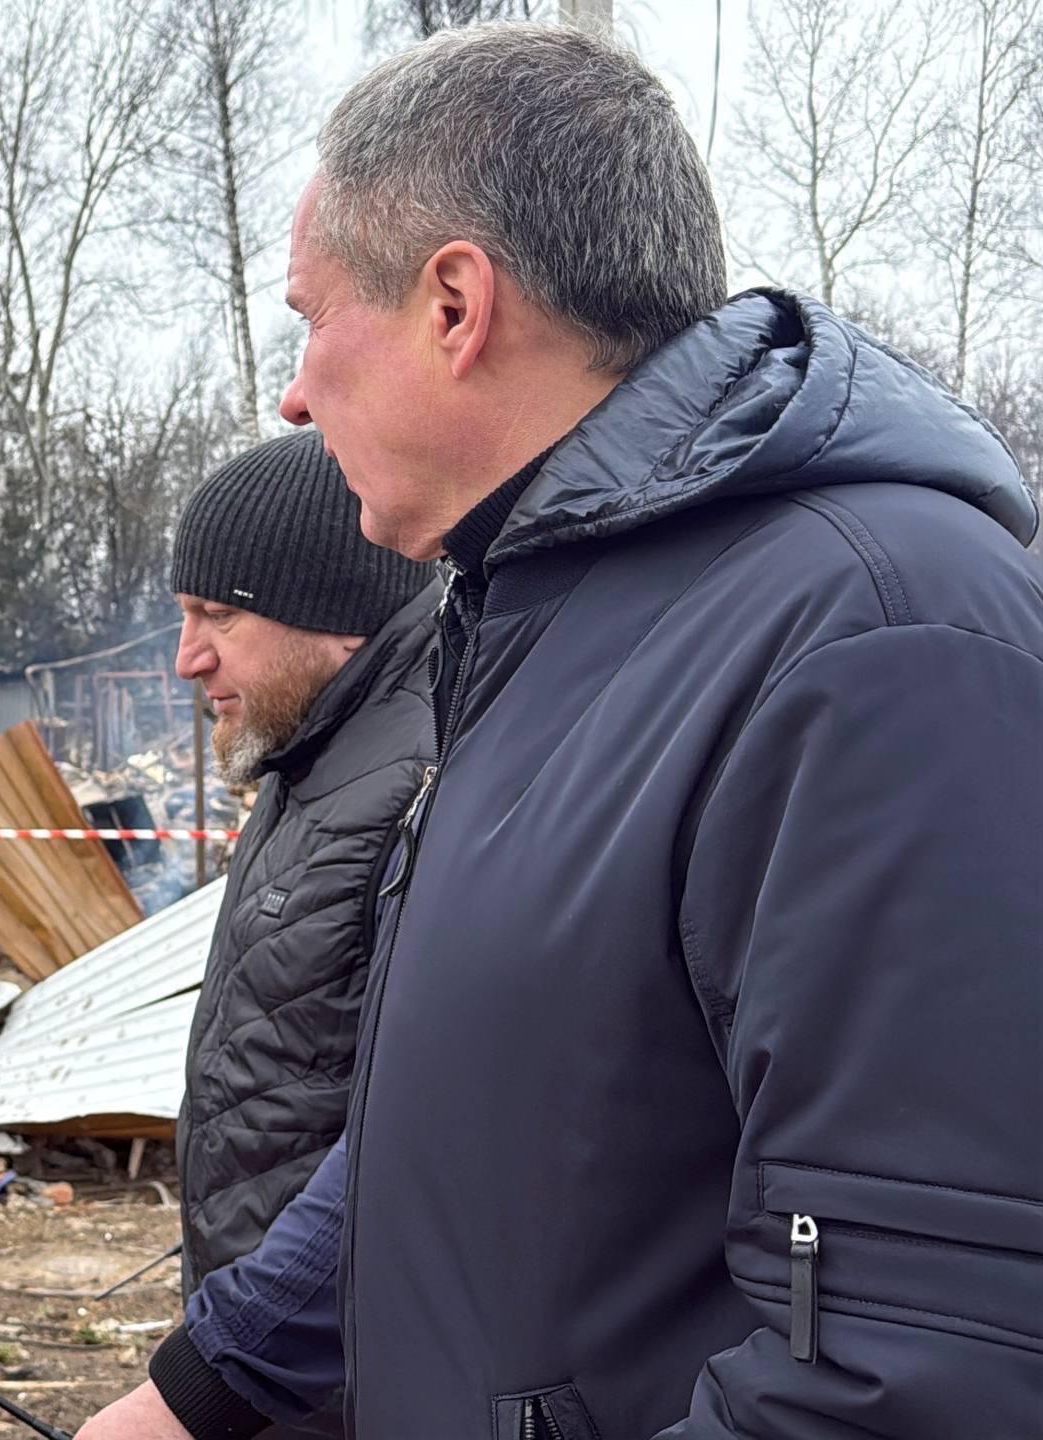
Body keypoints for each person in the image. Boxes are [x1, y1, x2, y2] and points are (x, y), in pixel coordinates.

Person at [80, 22, 1042, 1440]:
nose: (292, 392)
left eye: (309, 314)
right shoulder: (540, 629)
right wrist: (213, 1382)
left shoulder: (879, 628)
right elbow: (466, 1117)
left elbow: (918, 1373)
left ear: (454, 306)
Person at [165, 432, 434, 1439]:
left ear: (333, 615)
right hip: (280, 1377)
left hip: (343, 1385)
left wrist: (233, 1364)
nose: (187, 656)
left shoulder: (419, 778)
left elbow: (419, 1136)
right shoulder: (312, 764)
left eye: (217, 615)